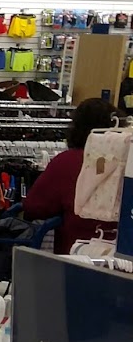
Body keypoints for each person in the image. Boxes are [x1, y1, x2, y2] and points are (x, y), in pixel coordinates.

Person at [24, 97, 119, 254]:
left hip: (75, 253)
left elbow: (34, 207)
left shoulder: (67, 162)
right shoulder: (126, 162)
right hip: (122, 255)